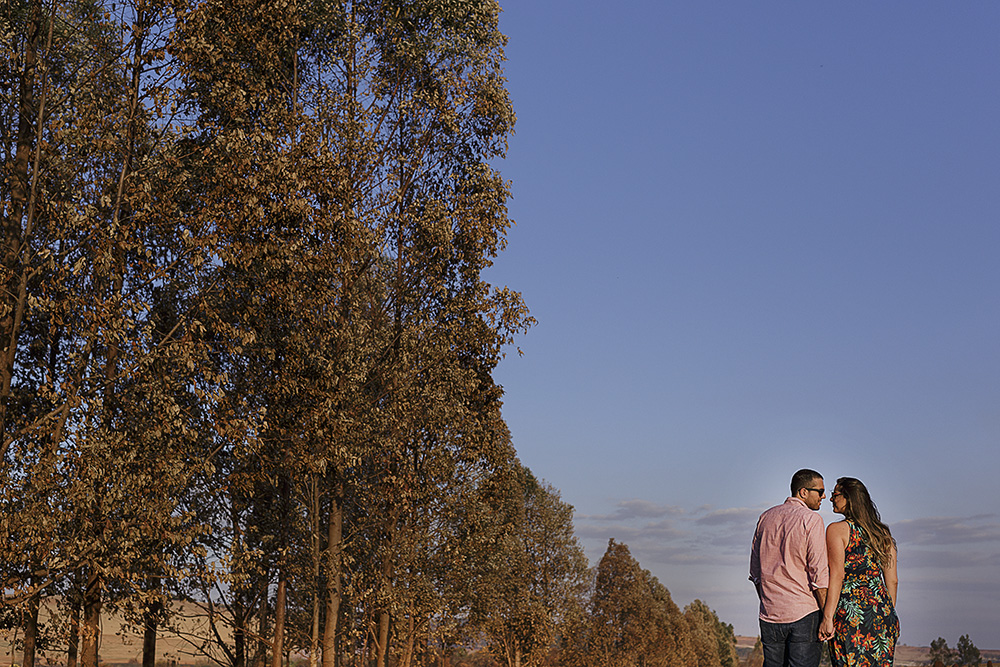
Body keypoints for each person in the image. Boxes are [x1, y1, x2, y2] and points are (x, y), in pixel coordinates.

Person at [750, 469, 830, 667]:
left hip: (770, 614)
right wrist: (827, 616)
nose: (823, 496)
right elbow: (819, 575)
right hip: (804, 613)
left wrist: (770, 600)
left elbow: (756, 573)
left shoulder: (765, 518)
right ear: (803, 492)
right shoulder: (811, 520)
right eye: (820, 491)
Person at [818, 477, 899, 667]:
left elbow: (837, 576)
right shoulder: (882, 533)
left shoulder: (837, 530)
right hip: (883, 614)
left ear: (849, 498)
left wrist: (827, 618)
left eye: (835, 494)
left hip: (850, 615)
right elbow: (893, 580)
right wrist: (887, 612)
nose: (831, 499)